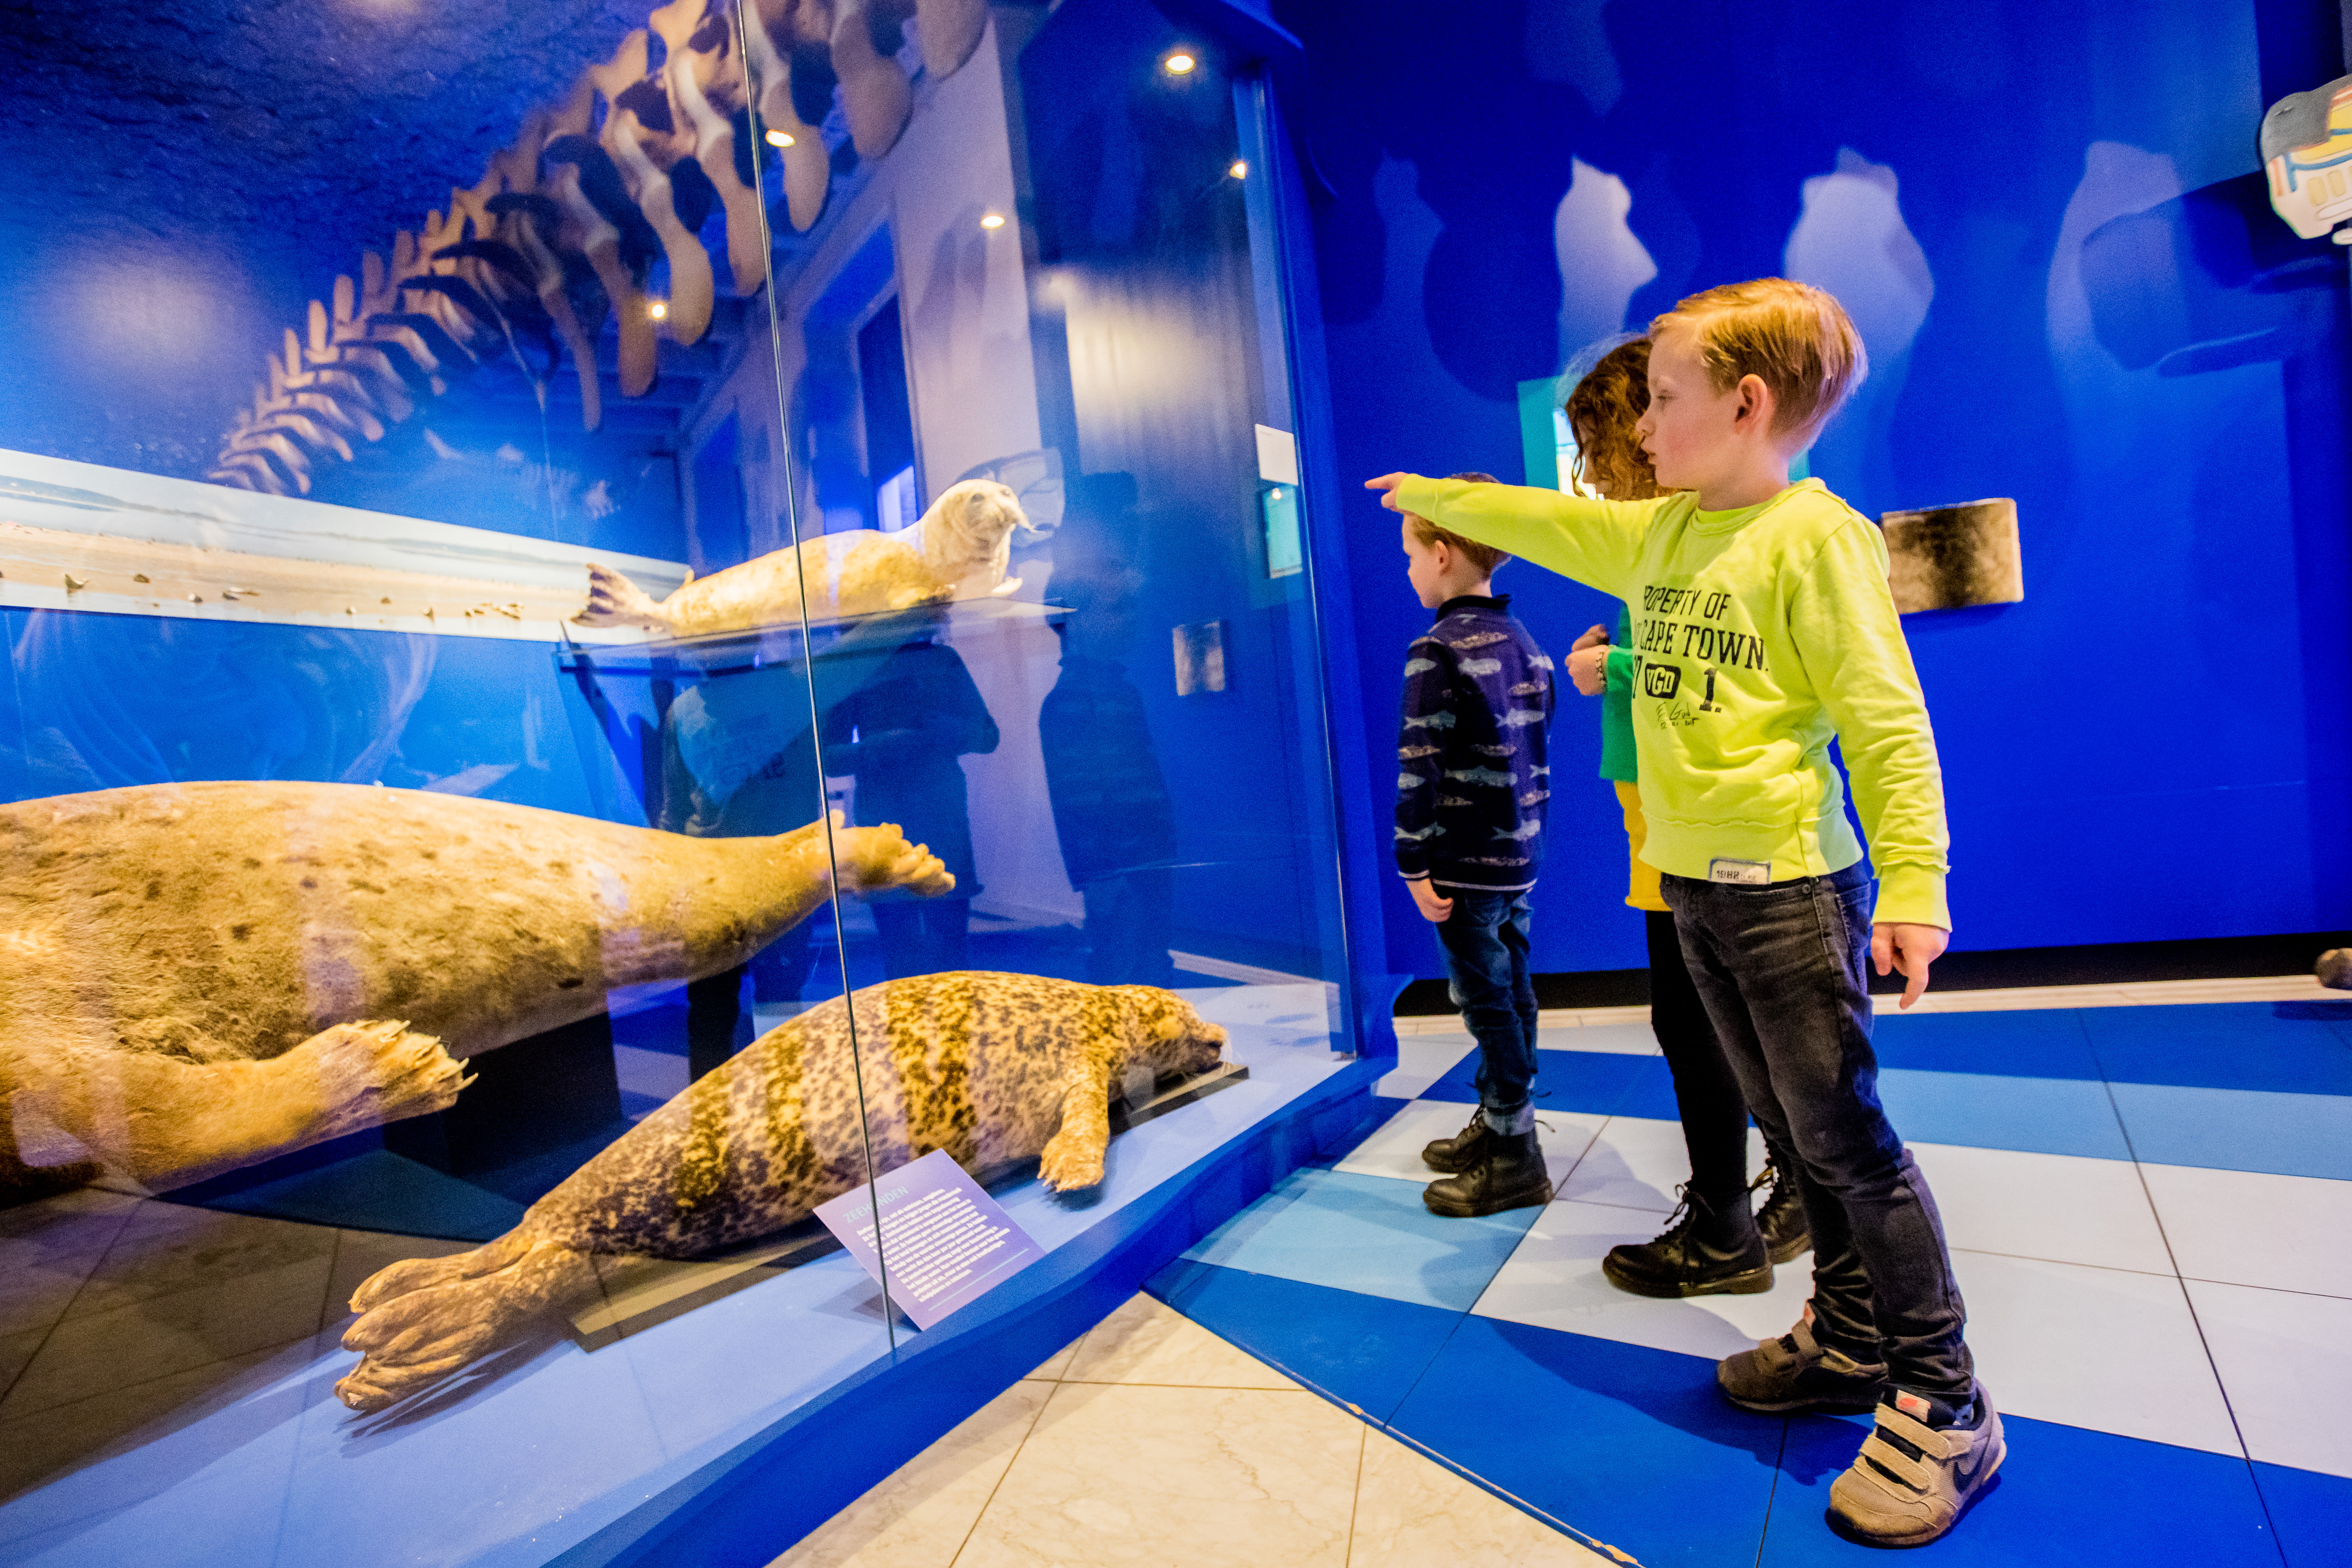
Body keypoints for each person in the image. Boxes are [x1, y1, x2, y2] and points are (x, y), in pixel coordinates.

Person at [1368, 279, 1999, 1549]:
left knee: (1849, 1144)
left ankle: (1946, 1399)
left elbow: (1887, 723)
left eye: (1661, 400)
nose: (1641, 426)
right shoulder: (1659, 536)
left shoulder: (1816, 539)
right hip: (1697, 888)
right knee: (1794, 1135)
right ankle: (1848, 1336)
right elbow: (1550, 519)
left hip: (1791, 891)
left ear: (1746, 405)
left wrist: (1916, 884)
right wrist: (1440, 495)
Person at [1557, 338, 1811, 1297]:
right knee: (1706, 1019)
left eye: (1599, 445)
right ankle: (1752, 1204)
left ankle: (1726, 1225)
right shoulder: (1662, 542)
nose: (1592, 472)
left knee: (1707, 1022)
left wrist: (1614, 666)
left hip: (1697, 823)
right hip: (1658, 812)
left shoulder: (1708, 537)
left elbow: (1721, 669)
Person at [1393, 471, 1558, 1219]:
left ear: (1441, 554)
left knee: (1484, 1001)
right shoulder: (1526, 643)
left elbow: (1418, 767)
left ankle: (1514, 1155)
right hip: (1519, 860)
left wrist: (1411, 861)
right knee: (1512, 991)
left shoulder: (1435, 649)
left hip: (1461, 865)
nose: (1408, 570)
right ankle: (1499, 1122)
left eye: (1410, 554)